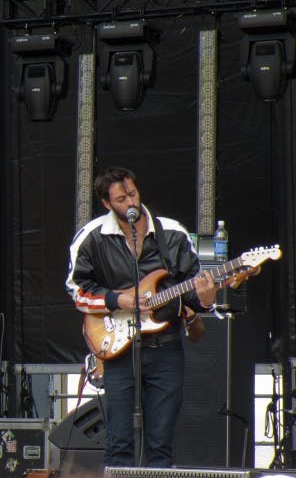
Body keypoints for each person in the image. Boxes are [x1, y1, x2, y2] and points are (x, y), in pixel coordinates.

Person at [65, 167, 215, 467]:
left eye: (133, 194)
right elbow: (76, 290)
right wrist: (117, 299)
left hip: (166, 347)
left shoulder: (172, 233)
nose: (131, 202)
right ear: (106, 203)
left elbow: (192, 292)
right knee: (119, 442)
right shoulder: (91, 237)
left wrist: (207, 300)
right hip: (119, 350)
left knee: (160, 444)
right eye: (121, 199)